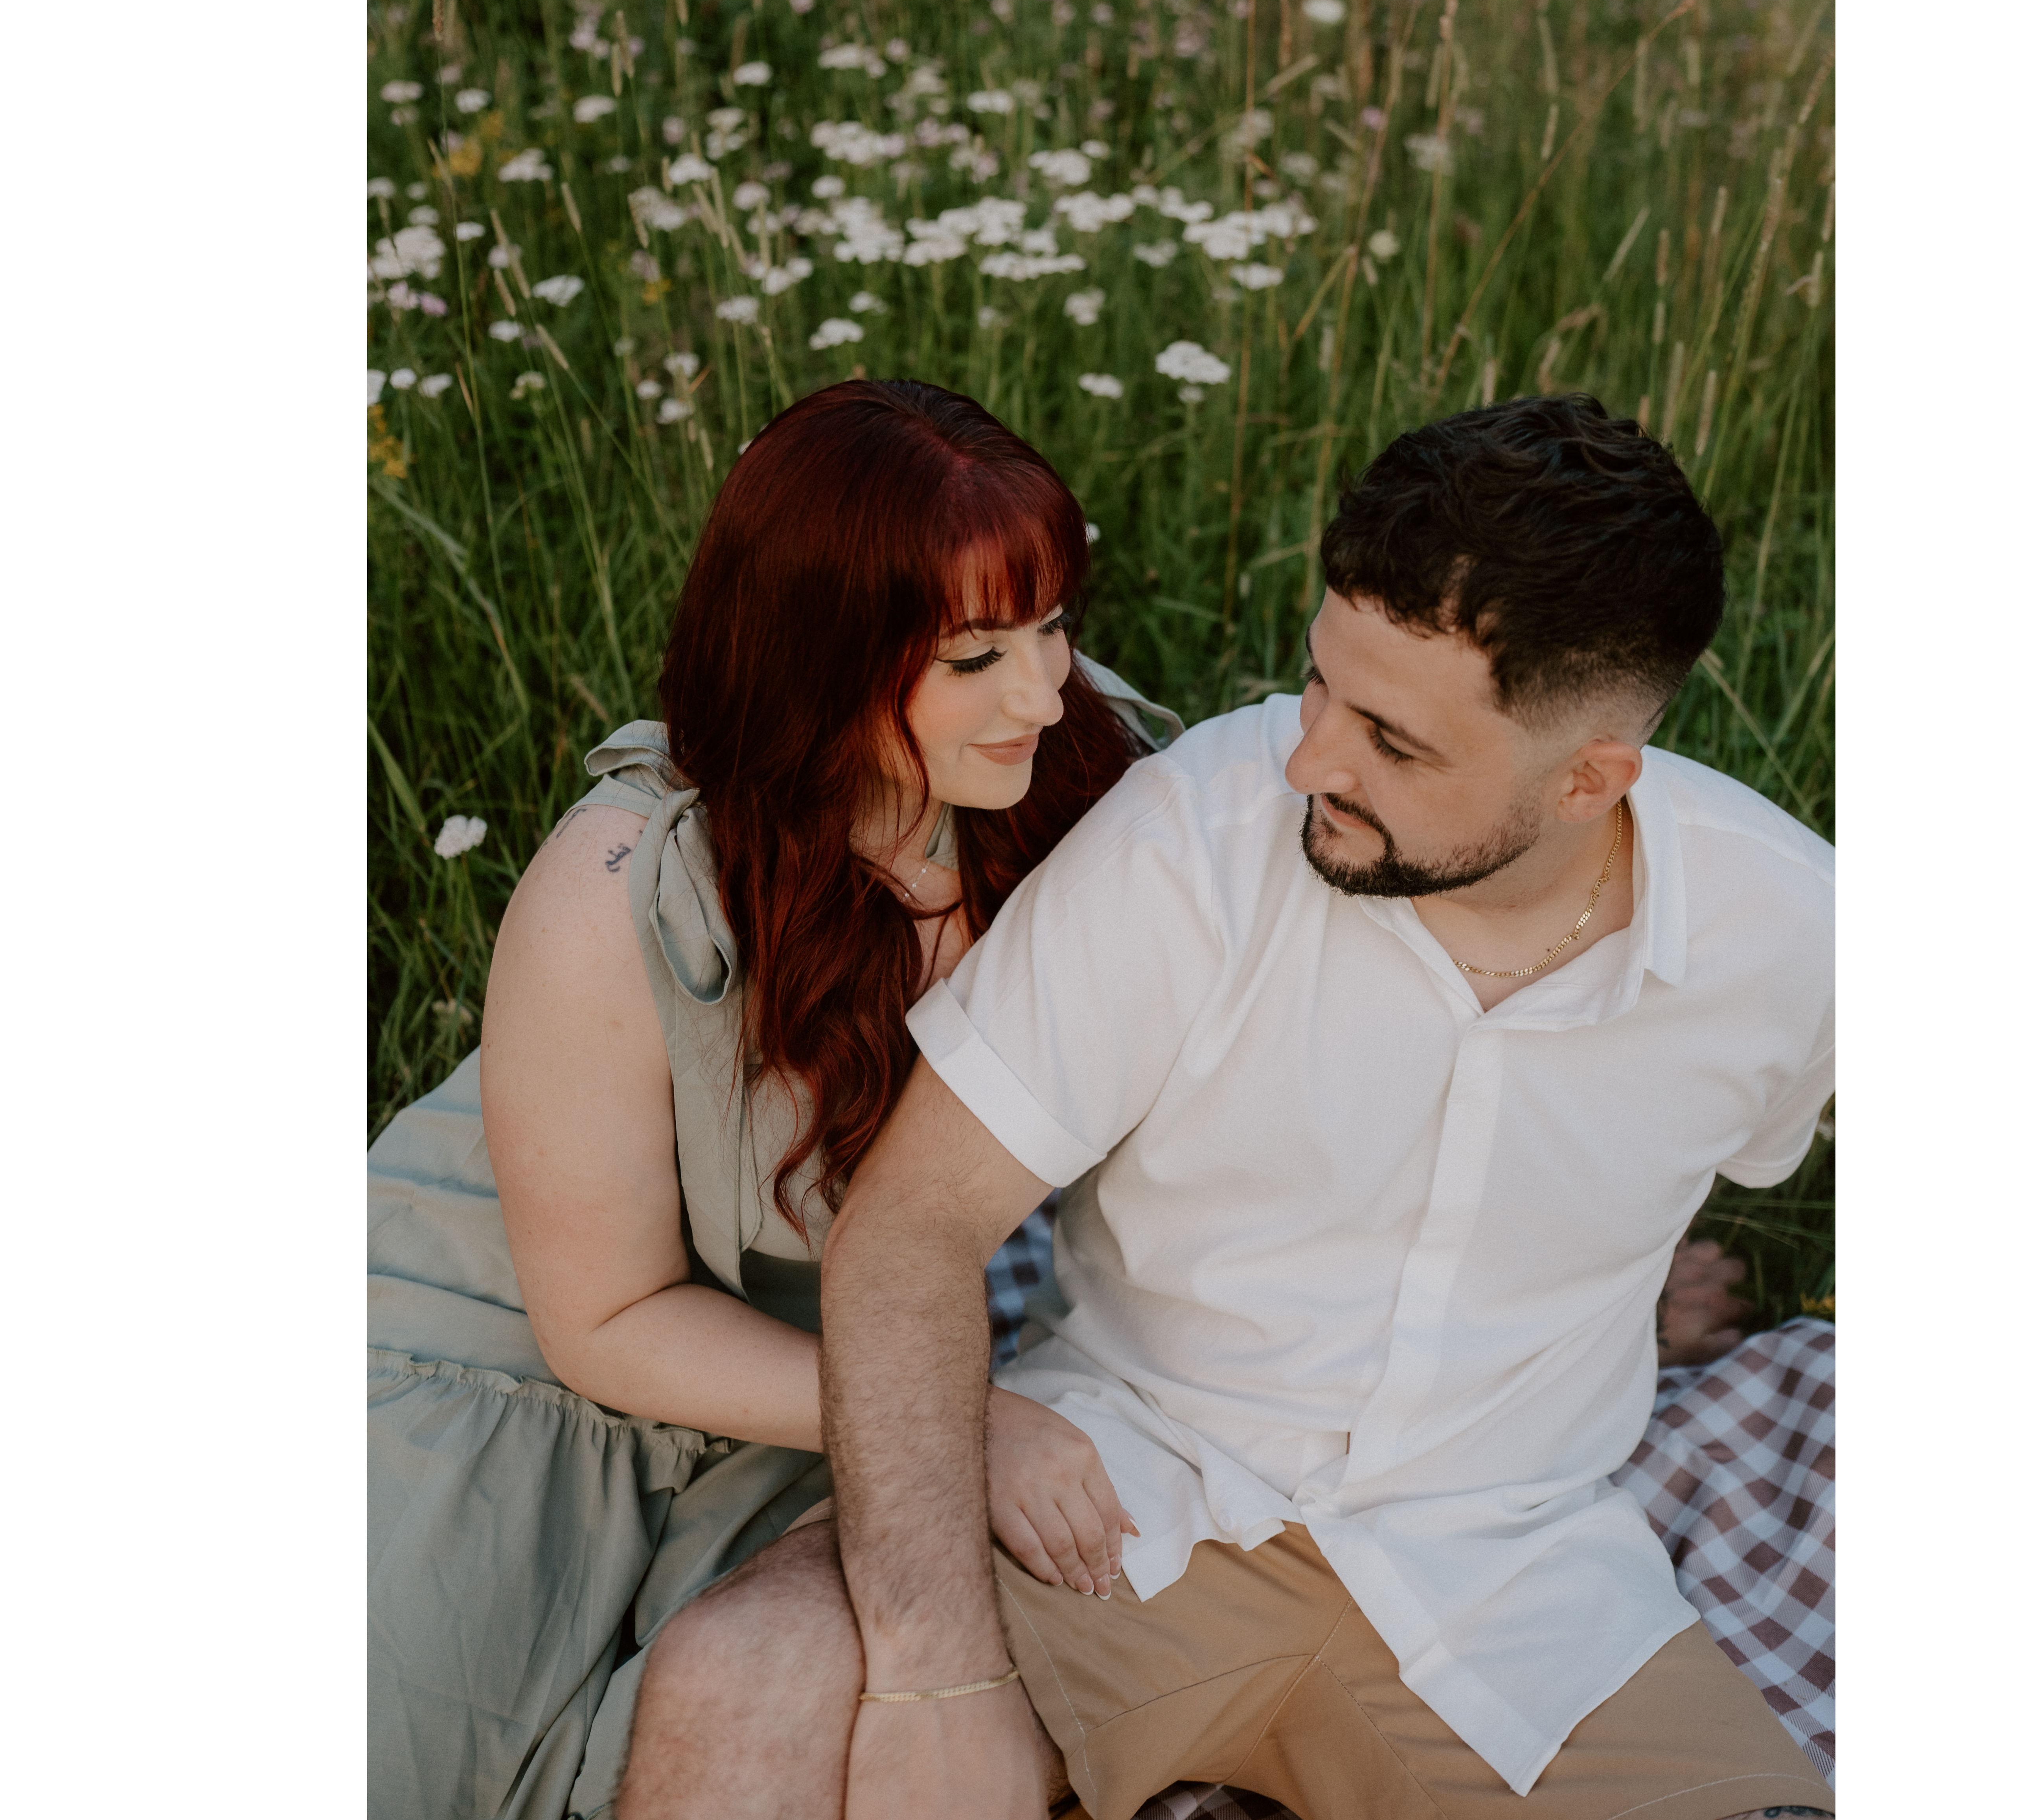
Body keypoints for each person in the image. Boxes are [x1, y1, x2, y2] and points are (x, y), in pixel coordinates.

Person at [620, 394, 1837, 1820]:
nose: (1310, 759)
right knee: (740, 1681)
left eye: (1392, 741)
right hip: (1125, 1496)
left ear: (1588, 780)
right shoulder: (1198, 831)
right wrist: (938, 1681)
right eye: (1321, 683)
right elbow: (913, 1227)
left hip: (1514, 1569)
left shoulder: (1787, 938)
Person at [367, 379, 1183, 1820]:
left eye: (1053, 626)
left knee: (769, 1734)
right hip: (513, 1367)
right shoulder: (621, 886)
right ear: (820, 657)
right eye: (975, 656)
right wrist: (962, 1420)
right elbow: (605, 1318)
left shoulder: (1084, 777)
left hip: (829, 1371)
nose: (1045, 692)